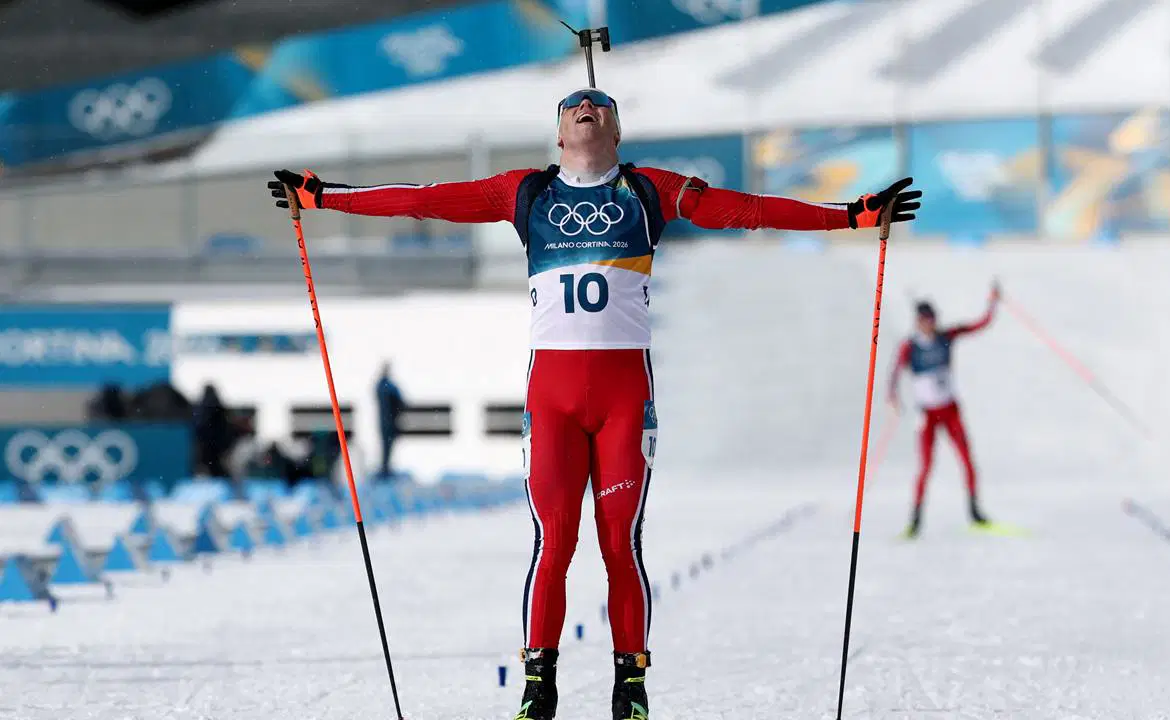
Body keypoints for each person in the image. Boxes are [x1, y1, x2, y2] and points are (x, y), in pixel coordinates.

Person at [268, 86, 922, 720]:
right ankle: (538, 688)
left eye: (600, 105)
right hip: (551, 398)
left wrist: (852, 215)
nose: (587, 107)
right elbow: (424, 200)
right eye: (573, 105)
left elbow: (746, 209)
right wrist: (324, 197)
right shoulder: (524, 192)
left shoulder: (650, 190)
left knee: (620, 546)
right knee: (554, 544)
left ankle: (630, 687)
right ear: (559, 133)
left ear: (616, 130)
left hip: (623, 398)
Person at [888, 283, 1000, 539]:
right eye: (925, 320)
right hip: (927, 415)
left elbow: (980, 324)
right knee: (925, 466)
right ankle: (915, 520)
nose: (929, 324)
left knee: (967, 460)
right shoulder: (910, 347)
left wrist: (993, 303)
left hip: (950, 410)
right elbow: (894, 375)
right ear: (918, 322)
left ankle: (974, 511)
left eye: (932, 319)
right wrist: (892, 398)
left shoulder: (945, 337)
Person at [375, 362, 405, 479]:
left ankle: (385, 468)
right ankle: (385, 468)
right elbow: (401, 403)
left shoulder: (380, 387)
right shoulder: (391, 387)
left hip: (384, 422)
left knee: (385, 445)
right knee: (387, 445)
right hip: (392, 424)